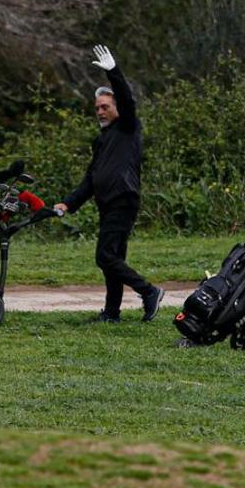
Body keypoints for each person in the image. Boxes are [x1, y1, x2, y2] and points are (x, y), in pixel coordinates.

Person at [54, 45, 164, 324]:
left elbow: (127, 100)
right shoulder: (102, 140)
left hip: (122, 199)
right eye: (97, 108)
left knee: (104, 256)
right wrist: (69, 203)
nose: (100, 112)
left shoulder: (128, 127)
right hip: (108, 202)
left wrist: (113, 72)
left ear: (116, 108)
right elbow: (91, 178)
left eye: (105, 107)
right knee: (113, 259)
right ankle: (112, 313)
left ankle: (149, 291)